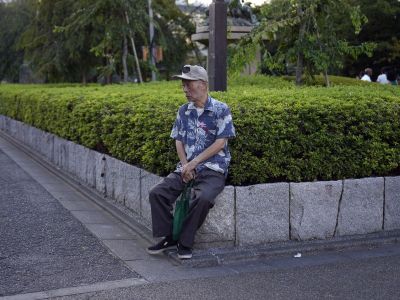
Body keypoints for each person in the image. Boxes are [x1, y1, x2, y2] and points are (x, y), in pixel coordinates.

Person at [146, 65, 236, 259]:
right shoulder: (183, 111)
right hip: (186, 166)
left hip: (213, 170)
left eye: (188, 84)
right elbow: (178, 139)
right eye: (183, 85)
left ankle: (185, 242)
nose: (184, 89)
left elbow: (221, 143)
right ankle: (170, 236)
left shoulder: (221, 109)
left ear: (202, 85)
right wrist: (185, 165)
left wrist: (193, 163)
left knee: (203, 198)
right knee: (157, 193)